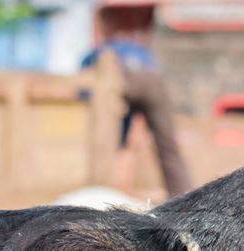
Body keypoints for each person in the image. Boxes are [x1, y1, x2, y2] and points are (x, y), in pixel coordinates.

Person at [82, 34, 192, 197]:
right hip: (153, 83)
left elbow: (86, 88)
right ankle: (182, 193)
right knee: (167, 145)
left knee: (118, 142)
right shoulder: (138, 49)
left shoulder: (96, 53)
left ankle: (110, 190)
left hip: (122, 83)